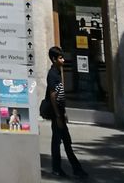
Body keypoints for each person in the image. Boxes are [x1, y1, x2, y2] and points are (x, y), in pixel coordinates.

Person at [46, 45, 87, 179]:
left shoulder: (57, 72)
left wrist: (63, 113)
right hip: (56, 114)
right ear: (54, 59)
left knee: (62, 141)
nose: (63, 60)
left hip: (59, 114)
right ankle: (71, 169)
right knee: (61, 142)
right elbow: (53, 95)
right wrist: (58, 115)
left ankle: (65, 168)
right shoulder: (52, 74)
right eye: (60, 58)